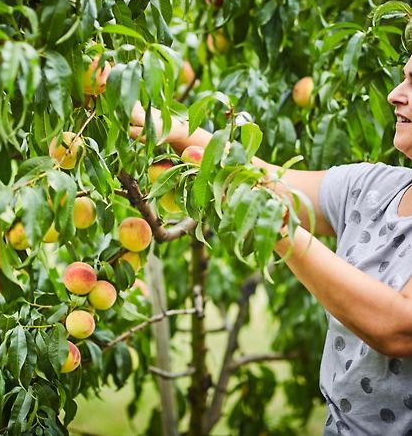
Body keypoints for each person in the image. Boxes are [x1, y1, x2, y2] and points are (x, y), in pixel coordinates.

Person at [130, 55, 412, 435]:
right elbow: (266, 181)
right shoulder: (374, 189)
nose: (396, 94)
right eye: (402, 78)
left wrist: (278, 232)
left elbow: (398, 327)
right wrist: (169, 127)